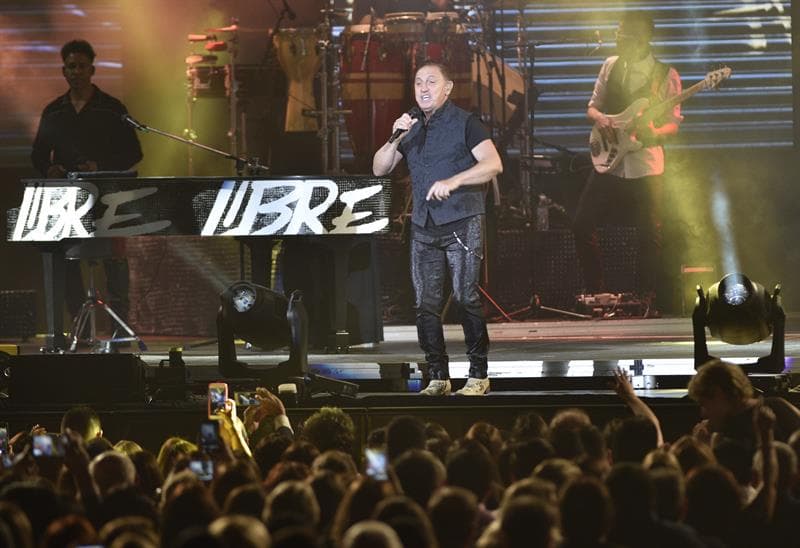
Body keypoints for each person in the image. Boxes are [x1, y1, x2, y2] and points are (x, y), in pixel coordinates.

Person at [373, 61, 503, 396]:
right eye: (418, 83)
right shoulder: (411, 126)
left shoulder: (465, 123)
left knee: (465, 298)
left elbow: (493, 164)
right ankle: (438, 376)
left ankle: (478, 375)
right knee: (425, 304)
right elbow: (379, 169)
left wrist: (455, 180)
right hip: (424, 225)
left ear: (448, 88)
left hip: (462, 219)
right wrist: (394, 137)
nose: (424, 88)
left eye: (432, 82)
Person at [31, 39, 143, 337]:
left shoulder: (111, 108)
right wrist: (49, 169)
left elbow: (134, 152)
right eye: (71, 67)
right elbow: (38, 154)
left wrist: (100, 164)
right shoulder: (54, 111)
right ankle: (78, 327)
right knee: (67, 260)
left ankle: (120, 330)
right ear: (63, 71)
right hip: (67, 198)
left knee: (115, 260)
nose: (76, 72)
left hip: (108, 195)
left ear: (92, 70)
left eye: (82, 66)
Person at [573, 12, 682, 315]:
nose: (620, 38)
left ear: (645, 37)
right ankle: (597, 295)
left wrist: (653, 134)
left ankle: (644, 299)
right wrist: (604, 120)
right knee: (581, 223)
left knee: (650, 231)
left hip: (646, 162)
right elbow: (592, 107)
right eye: (619, 33)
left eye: (627, 34)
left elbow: (673, 125)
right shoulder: (610, 65)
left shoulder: (666, 75)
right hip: (609, 159)